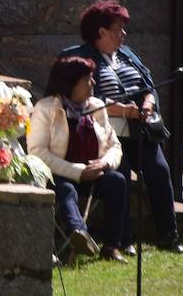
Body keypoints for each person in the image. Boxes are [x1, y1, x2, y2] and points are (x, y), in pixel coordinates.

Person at [61, 0, 183, 252]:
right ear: (101, 32)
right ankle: (123, 240)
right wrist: (122, 109)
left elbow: (149, 86)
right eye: (117, 29)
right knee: (122, 176)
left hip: (140, 130)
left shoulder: (128, 55)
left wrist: (149, 102)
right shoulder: (79, 57)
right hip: (106, 134)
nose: (123, 34)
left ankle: (169, 236)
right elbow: (79, 98)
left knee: (160, 172)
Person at [28, 55, 130, 262]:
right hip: (58, 175)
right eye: (87, 79)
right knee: (66, 189)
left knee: (117, 181)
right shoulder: (45, 108)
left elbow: (114, 145)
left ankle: (111, 247)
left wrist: (105, 163)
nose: (93, 83)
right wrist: (78, 171)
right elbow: (37, 152)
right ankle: (79, 234)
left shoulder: (97, 106)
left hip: (94, 173)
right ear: (70, 83)